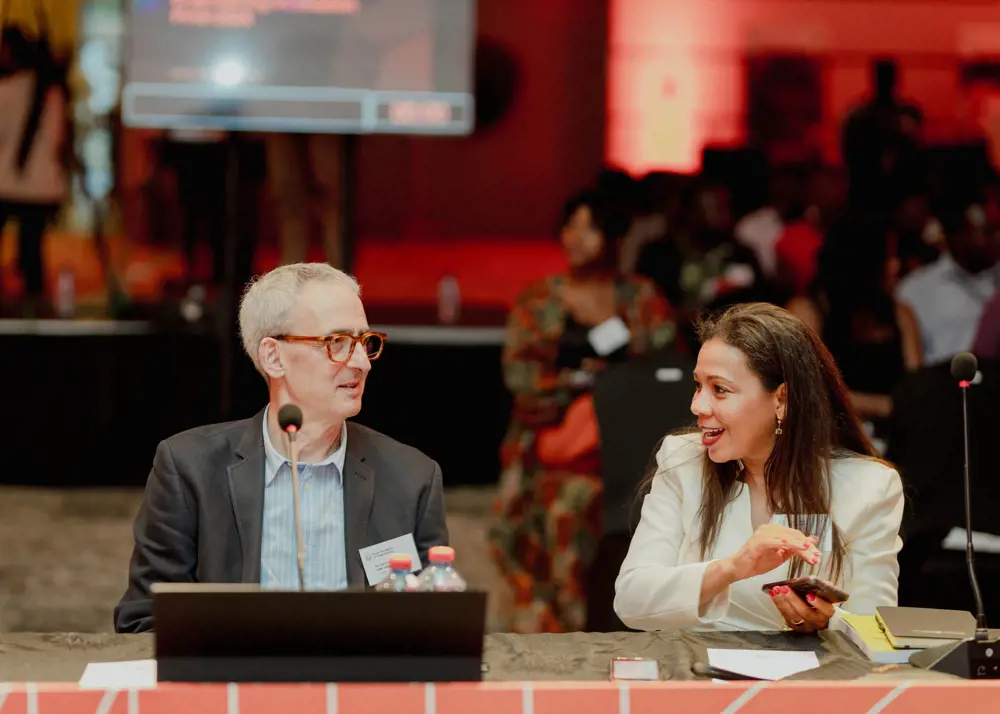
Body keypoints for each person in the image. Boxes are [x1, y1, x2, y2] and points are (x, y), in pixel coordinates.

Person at [114, 263, 448, 633]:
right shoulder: (189, 469)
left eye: (364, 342)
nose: (360, 363)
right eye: (336, 342)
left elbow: (435, 625)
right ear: (273, 357)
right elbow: (145, 621)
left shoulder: (411, 477)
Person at [615, 303, 904, 632]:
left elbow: (877, 631)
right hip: (696, 672)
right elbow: (631, 600)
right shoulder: (684, 460)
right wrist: (732, 568)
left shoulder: (868, 486)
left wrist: (827, 623)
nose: (697, 405)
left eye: (720, 390)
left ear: (781, 399)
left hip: (807, 678)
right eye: (698, 385)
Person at [489, 190, 677, 633]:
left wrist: (617, 381)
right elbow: (520, 377)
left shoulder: (641, 297)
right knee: (554, 516)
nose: (575, 236)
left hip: (630, 447)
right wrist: (578, 384)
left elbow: (669, 368)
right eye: (570, 224)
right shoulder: (540, 299)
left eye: (588, 226)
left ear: (611, 234)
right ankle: (561, 630)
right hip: (557, 447)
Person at [787, 216, 922, 428]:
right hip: (832, 433)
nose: (896, 265)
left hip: (896, 433)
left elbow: (916, 385)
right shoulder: (808, 311)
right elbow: (809, 392)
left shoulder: (900, 312)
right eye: (887, 257)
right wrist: (885, 405)